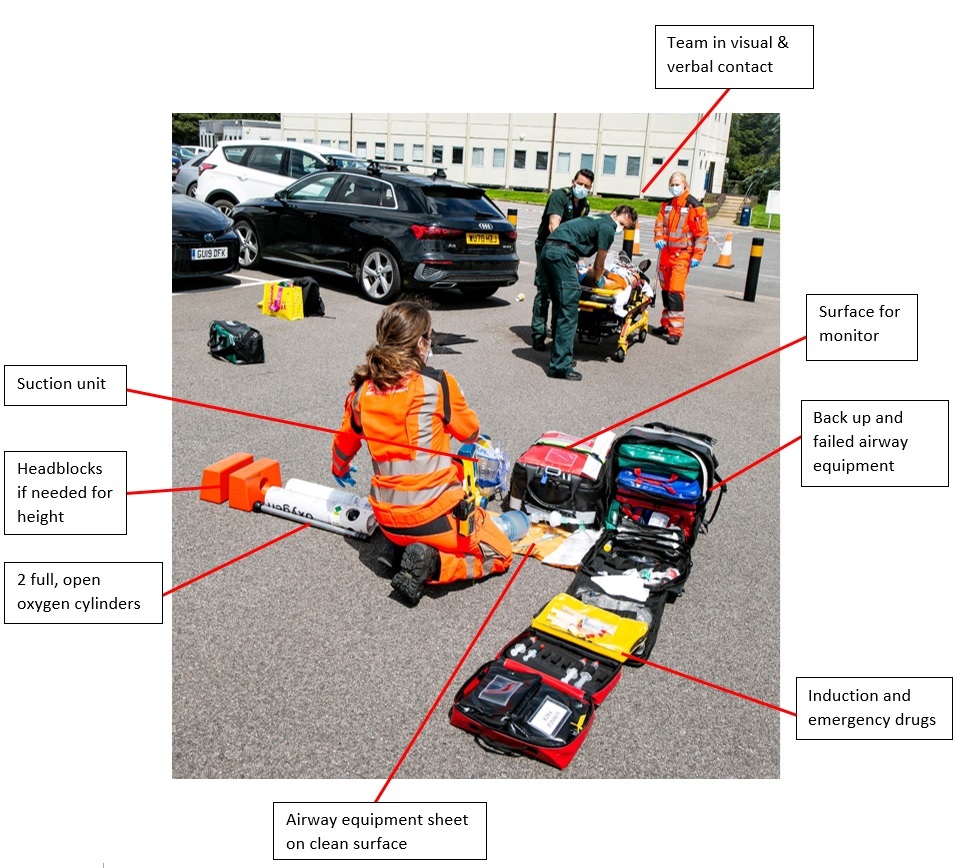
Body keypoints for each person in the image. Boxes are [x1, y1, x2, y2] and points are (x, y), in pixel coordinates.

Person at [331, 301, 513, 605]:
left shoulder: (362, 392)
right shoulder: (438, 384)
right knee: (500, 553)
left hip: (386, 519)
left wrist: (339, 468)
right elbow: (470, 433)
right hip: (434, 517)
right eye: (430, 337)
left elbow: (342, 446)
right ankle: (434, 565)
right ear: (420, 343)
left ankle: (400, 548)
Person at [539, 205, 638, 380]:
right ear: (614, 214)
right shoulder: (608, 227)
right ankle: (560, 365)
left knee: (560, 306)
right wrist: (599, 279)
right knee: (569, 310)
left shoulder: (596, 219)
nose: (620, 228)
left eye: (624, 227)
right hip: (562, 255)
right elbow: (599, 264)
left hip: (549, 251)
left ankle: (559, 357)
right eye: (621, 223)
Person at [530, 169, 595, 351]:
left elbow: (581, 232)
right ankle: (538, 334)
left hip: (567, 251)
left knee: (561, 291)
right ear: (573, 181)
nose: (582, 188)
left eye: (586, 186)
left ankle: (557, 332)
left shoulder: (584, 206)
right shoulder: (560, 196)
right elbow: (553, 226)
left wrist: (579, 258)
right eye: (580, 184)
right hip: (548, 246)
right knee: (544, 289)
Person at [652, 171, 709, 345]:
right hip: (666, 255)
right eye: (672, 184)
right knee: (666, 291)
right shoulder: (667, 205)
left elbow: (702, 234)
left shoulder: (694, 206)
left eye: (677, 184)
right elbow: (659, 224)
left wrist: (697, 255)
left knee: (675, 292)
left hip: (682, 256)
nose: (674, 187)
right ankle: (666, 323)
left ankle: (675, 331)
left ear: (685, 186)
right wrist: (659, 238)